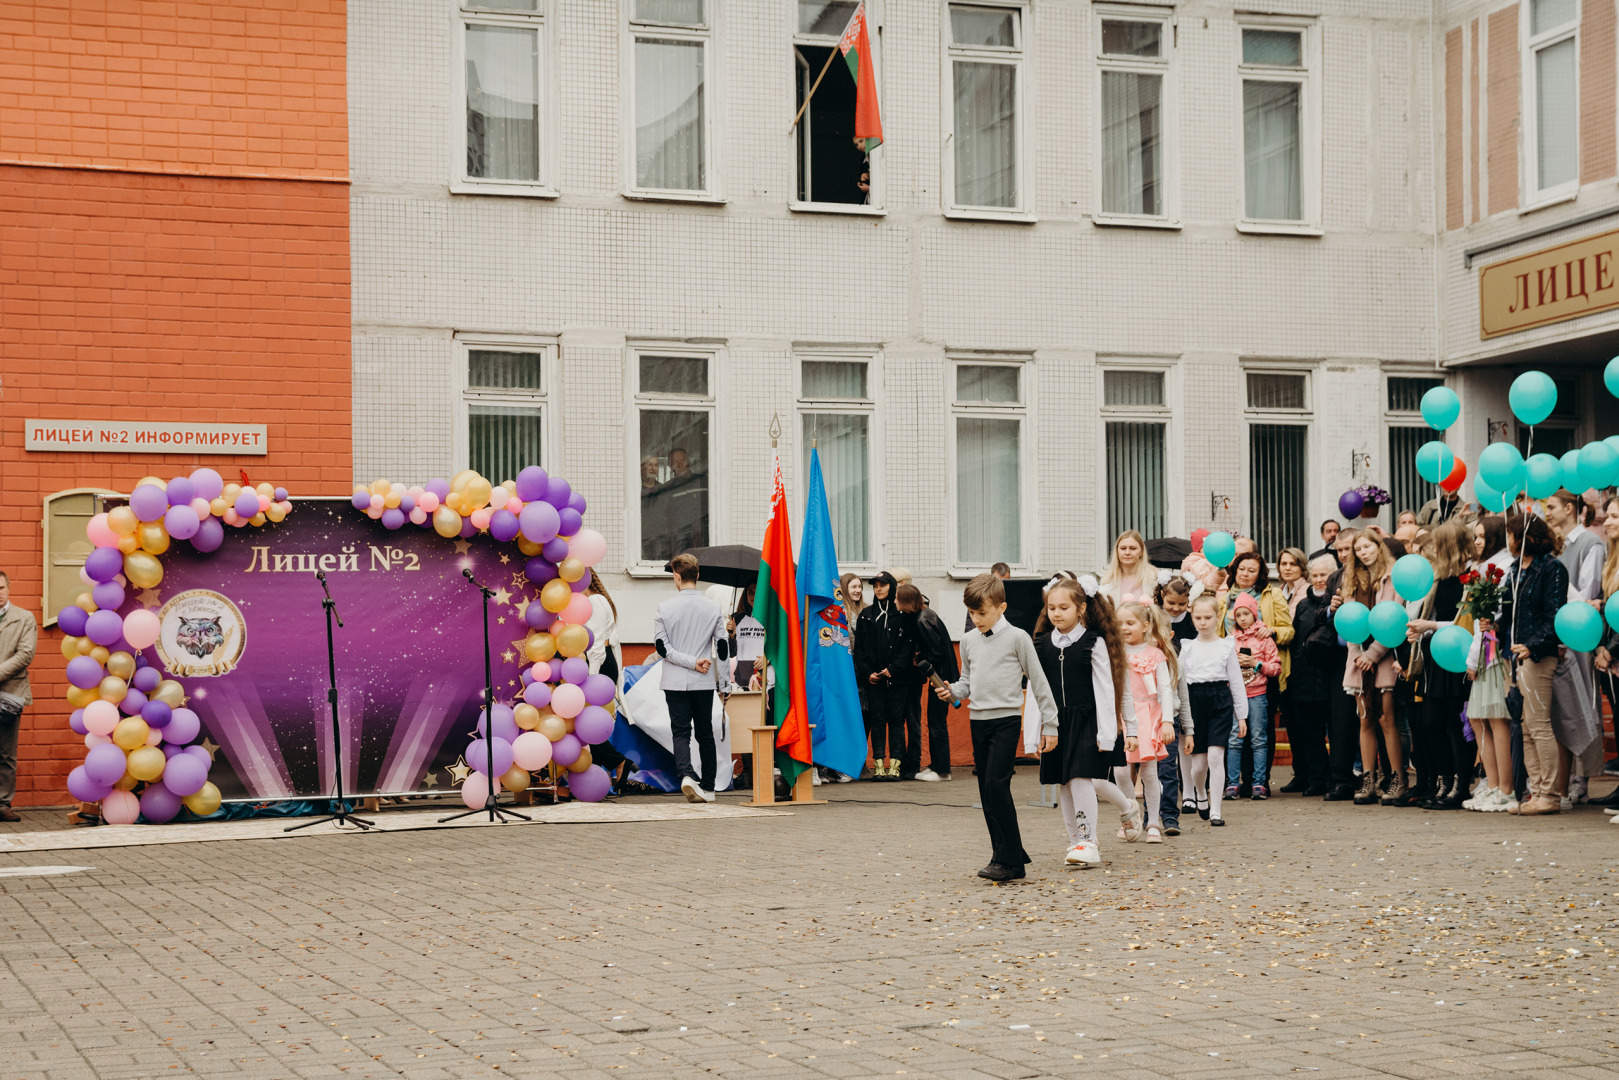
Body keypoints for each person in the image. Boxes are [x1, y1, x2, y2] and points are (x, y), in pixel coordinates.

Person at [941, 573, 1059, 882]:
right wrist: (952, 691)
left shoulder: (1018, 637)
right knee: (986, 791)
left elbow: (1038, 680)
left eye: (982, 612)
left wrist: (1051, 724)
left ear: (1001, 607)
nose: (976, 619)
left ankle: (1012, 862)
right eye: (971, 613)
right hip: (977, 721)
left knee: (996, 785)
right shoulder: (967, 641)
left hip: (1006, 721)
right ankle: (1004, 853)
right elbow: (968, 682)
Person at [1027, 576, 1137, 867]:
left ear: (1081, 608)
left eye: (1064, 607)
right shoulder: (1040, 644)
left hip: (1088, 720)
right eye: (1052, 608)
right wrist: (1033, 732)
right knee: (1063, 782)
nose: (1057, 613)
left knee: (1079, 778)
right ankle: (1076, 841)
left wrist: (1107, 732)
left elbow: (1105, 689)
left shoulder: (1093, 642)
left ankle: (1089, 840)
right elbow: (1037, 691)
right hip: (1057, 724)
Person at [1499, 513, 1568, 816]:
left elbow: (1555, 616)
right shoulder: (1514, 570)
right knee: (1524, 725)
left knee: (1539, 725)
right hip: (1513, 654)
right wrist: (1494, 624)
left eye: (1510, 533)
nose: (1507, 539)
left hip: (1537, 655)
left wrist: (1532, 645)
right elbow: (1508, 613)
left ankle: (1550, 794)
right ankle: (1535, 790)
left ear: (1524, 536)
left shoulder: (1551, 568)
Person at [1403, 519, 1473, 810]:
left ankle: (1460, 784)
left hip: (1455, 654)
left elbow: (1463, 623)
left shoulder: (1469, 578)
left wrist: (1430, 624)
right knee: (1431, 722)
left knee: (1453, 725)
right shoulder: (1438, 578)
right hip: (1434, 656)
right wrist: (1420, 628)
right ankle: (1443, 781)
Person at [652, 553, 729, 803]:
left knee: (681, 732)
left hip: (674, 680)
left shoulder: (664, 608)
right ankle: (709, 787)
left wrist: (688, 662)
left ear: (676, 576)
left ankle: (686, 774)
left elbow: (662, 649)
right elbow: (723, 647)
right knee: (705, 732)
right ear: (697, 575)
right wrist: (724, 683)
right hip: (704, 680)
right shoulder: (714, 608)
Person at [1546, 488, 1606, 805]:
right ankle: (1565, 776)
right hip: (1560, 635)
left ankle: (1581, 779)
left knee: (1583, 705)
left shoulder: (1590, 544)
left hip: (1580, 634)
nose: (1548, 513)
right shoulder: (1558, 547)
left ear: (1570, 509)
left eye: (1552, 507)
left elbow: (1588, 593)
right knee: (1564, 707)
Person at [1342, 530, 1406, 805]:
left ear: (1379, 547)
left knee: (1386, 719)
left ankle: (1398, 778)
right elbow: (1348, 621)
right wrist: (1358, 653)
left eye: (1367, 547)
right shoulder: (1351, 580)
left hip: (1383, 657)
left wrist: (1373, 653)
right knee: (1365, 719)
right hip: (1358, 660)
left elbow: (1395, 618)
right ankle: (1368, 777)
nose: (1363, 553)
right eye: (1358, 549)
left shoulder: (1393, 578)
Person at [1176, 593, 1246, 827]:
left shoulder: (1226, 647)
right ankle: (1200, 793)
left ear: (1218, 617)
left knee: (1216, 756)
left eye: (1208, 617)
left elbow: (1236, 682)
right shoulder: (1187, 648)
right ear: (1192, 618)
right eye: (1198, 617)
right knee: (1198, 766)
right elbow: (1178, 682)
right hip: (1194, 701)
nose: (1203, 622)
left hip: (1219, 700)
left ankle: (1216, 810)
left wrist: (1242, 715)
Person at [1464, 517, 1515, 813]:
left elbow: (1489, 622)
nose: (1478, 541)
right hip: (1482, 650)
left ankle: (1505, 788)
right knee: (1478, 717)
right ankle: (1493, 784)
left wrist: (1475, 657)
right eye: (1475, 536)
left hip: (1494, 653)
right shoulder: (1479, 569)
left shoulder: (1502, 568)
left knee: (1496, 718)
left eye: (1483, 536)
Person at [1118, 602, 1178, 843]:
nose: (1123, 627)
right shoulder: (1115, 652)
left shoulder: (1156, 654)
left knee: (1149, 773)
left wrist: (1167, 721)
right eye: (1119, 623)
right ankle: (1130, 816)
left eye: (1130, 623)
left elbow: (1165, 689)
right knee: (1121, 772)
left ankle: (1153, 821)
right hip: (1123, 715)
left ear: (1144, 626)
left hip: (1149, 714)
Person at [1287, 555, 1339, 796]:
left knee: (1336, 731)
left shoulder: (1340, 603)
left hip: (1332, 676)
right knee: (1311, 732)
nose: (1319, 580)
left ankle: (1337, 778)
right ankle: (1316, 778)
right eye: (1315, 575)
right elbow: (1298, 641)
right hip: (1305, 677)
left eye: (1324, 575)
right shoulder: (1303, 605)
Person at [1152, 573, 1198, 835]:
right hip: (1148, 716)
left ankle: (1170, 815)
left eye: (1182, 604)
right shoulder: (1143, 656)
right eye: (1172, 603)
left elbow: (1183, 693)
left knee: (1169, 769)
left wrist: (1188, 728)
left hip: (1175, 713)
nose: (1176, 609)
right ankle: (1149, 816)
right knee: (1149, 771)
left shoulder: (1176, 657)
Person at [854, 571, 912, 780]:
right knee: (877, 719)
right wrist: (868, 672)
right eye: (875, 585)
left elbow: (908, 647)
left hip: (897, 678)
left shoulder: (902, 615)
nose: (878, 589)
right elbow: (859, 649)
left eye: (883, 585)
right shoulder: (866, 615)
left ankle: (895, 766)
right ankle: (879, 764)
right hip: (874, 679)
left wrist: (893, 669)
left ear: (892, 587)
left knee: (896, 720)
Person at [1224, 593, 1280, 800]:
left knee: (1258, 739)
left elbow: (1276, 668)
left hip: (1258, 695)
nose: (1243, 618)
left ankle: (1259, 783)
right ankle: (1232, 784)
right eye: (1238, 615)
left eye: (1246, 613)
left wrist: (1256, 663)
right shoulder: (1229, 641)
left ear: (1254, 614)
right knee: (1234, 740)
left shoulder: (1264, 639)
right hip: (1236, 697)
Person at [911, 583, 959, 782]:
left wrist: (919, 657)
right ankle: (937, 765)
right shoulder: (928, 614)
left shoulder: (922, 620)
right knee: (935, 721)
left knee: (937, 722)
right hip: (943, 675)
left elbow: (936, 652)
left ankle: (942, 770)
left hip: (939, 678)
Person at [0, 572, 35, 822]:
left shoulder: (24, 618)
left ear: (9, 589)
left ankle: (2, 804)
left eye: (1, 587)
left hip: (9, 695)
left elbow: (25, 655)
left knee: (5, 753)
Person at [1593, 496, 1619, 807]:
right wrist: (1600, 644)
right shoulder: (1611, 559)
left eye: (1614, 516)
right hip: (1609, 656)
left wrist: (1610, 650)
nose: (1607, 521)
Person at [1101, 530, 1156, 605]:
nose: (1127, 553)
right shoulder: (1107, 580)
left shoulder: (1154, 577)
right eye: (1123, 548)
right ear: (1117, 551)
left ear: (1141, 551)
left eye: (1133, 548)